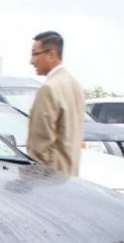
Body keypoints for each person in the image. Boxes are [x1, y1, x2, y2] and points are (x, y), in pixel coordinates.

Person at [26, 31, 85, 176]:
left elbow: (39, 148)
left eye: (35, 54)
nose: (31, 61)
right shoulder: (75, 84)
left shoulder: (49, 88)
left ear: (51, 55)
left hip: (49, 182)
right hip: (72, 178)